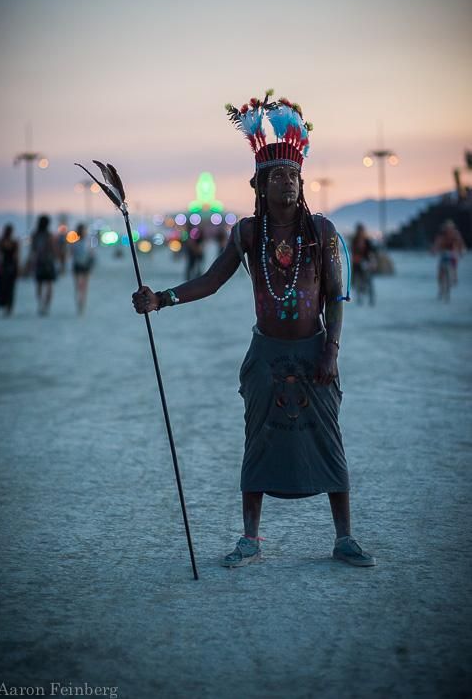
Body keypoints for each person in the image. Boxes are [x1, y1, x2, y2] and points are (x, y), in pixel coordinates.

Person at [132, 91, 375, 569]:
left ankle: (344, 537)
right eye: (276, 176)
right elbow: (211, 280)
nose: (286, 182)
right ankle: (250, 538)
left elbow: (334, 297)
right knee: (258, 441)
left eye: (293, 175)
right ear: (259, 185)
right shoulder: (247, 233)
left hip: (314, 352)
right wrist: (162, 299)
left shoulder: (321, 231)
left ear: (302, 183)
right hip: (265, 354)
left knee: (328, 437)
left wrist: (332, 349)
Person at [431, 219, 466, 301]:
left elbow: (461, 244)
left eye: (450, 228)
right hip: (443, 254)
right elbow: (436, 244)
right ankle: (441, 289)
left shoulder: (456, 234)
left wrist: (462, 251)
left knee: (454, 265)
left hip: (453, 253)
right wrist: (434, 250)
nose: (449, 229)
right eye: (447, 228)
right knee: (440, 272)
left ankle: (454, 277)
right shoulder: (441, 235)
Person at [30, 214, 57, 316]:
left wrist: (31, 263)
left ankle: (40, 304)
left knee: (39, 285)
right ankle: (47, 306)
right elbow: (53, 250)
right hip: (49, 263)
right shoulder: (49, 235)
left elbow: (33, 250)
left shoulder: (35, 235)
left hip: (39, 263)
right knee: (49, 285)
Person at [0, 224, 19, 316]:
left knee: (4, 287)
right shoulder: (14, 242)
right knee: (10, 288)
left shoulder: (1, 242)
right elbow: (16, 257)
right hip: (11, 266)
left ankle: (6, 306)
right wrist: (18, 268)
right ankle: (9, 307)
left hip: (4, 266)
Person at [71, 223, 95, 315]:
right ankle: (80, 304)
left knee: (83, 287)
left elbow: (91, 255)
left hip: (84, 266)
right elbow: (72, 255)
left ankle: (82, 305)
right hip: (78, 266)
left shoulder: (86, 242)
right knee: (79, 287)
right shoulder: (77, 243)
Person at [351, 223, 377, 305]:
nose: (360, 232)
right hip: (357, 265)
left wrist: (370, 262)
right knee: (358, 282)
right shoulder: (354, 241)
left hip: (366, 265)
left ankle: (371, 299)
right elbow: (353, 253)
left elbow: (371, 252)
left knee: (369, 282)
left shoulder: (367, 241)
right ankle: (360, 299)